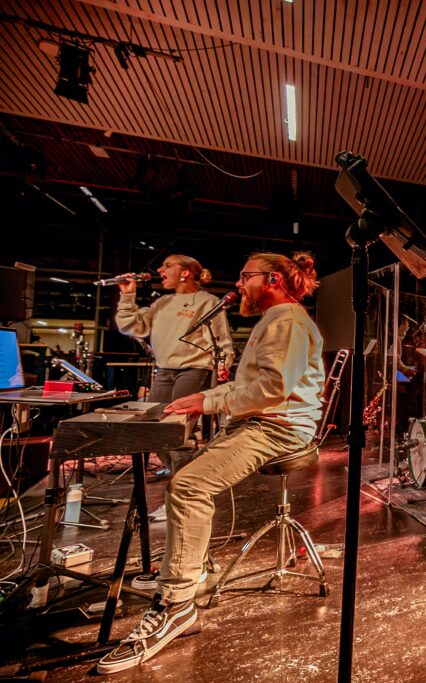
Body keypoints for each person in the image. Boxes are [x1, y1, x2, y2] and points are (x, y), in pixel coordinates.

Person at [97, 251, 325, 674]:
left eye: (245, 276)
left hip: (277, 428)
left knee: (188, 486)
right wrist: (207, 397)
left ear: (272, 280)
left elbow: (272, 390)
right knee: (186, 479)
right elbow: (252, 384)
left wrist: (207, 401)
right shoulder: (275, 320)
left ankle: (177, 605)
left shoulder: (288, 321)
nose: (238, 284)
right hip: (261, 420)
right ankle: (194, 564)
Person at [114, 255, 235, 489]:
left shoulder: (207, 301)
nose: (160, 270)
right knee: (154, 427)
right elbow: (132, 326)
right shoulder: (162, 303)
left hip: (194, 369)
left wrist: (223, 362)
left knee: (177, 429)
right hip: (165, 371)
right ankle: (187, 478)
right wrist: (128, 296)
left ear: (185, 273)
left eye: (167, 266)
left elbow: (220, 338)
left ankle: (186, 487)